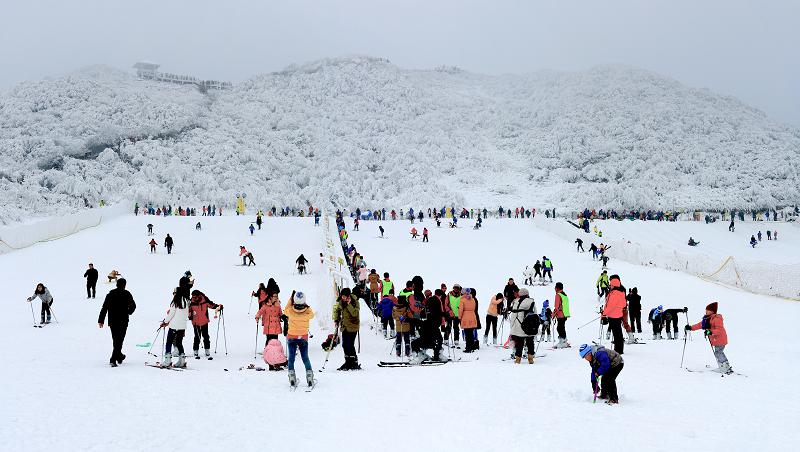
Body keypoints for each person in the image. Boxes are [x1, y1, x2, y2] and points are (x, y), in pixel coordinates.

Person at [97, 278, 136, 367]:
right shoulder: (127, 294)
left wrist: (101, 320)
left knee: (116, 339)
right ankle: (113, 359)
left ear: (116, 284)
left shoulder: (110, 294)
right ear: (124, 285)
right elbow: (133, 306)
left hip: (112, 321)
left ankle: (119, 356)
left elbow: (104, 308)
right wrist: (129, 312)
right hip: (123, 320)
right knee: (119, 340)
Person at [686, 301, 733, 374]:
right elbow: (700, 325)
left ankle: (724, 368)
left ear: (712, 311)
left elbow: (719, 330)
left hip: (720, 339)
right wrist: (691, 327)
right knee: (719, 352)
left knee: (718, 353)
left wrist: (710, 332)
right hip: (716, 339)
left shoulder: (716, 318)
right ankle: (725, 367)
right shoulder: (708, 318)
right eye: (706, 310)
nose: (706, 311)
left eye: (707, 310)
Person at [284, 291, 315, 387]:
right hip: (303, 336)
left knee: (291, 358)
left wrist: (291, 298)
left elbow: (285, 309)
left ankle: (292, 377)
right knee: (305, 357)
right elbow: (312, 314)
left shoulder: (290, 311)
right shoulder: (308, 312)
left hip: (292, 336)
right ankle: (309, 377)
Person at [160, 288, 190, 368]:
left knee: (169, 342)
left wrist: (165, 322)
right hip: (182, 326)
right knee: (179, 343)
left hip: (174, 326)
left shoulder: (175, 302)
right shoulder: (187, 301)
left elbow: (171, 314)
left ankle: (167, 361)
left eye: (174, 293)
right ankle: (182, 361)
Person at [333, 287, 361, 370]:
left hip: (353, 326)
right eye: (342, 296)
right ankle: (347, 362)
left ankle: (354, 362)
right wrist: (336, 319)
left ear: (349, 296)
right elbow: (337, 310)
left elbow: (355, 313)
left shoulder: (355, 302)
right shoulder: (341, 301)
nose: (343, 298)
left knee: (350, 344)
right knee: (344, 345)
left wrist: (349, 305)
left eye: (345, 297)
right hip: (344, 326)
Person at [189, 290, 222, 359]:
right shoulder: (191, 302)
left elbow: (212, 305)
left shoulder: (204, 300)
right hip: (195, 322)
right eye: (192, 297)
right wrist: (190, 315)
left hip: (204, 321)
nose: (193, 298)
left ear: (199, 296)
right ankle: (195, 350)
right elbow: (188, 310)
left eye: (195, 297)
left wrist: (218, 307)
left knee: (206, 336)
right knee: (197, 337)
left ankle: (207, 349)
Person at [508, 288, 536, 364]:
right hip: (530, 326)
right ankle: (530, 359)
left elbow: (514, 315)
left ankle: (518, 359)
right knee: (530, 343)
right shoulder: (532, 302)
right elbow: (535, 313)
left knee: (519, 343)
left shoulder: (516, 302)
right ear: (527, 294)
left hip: (519, 326)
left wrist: (512, 326)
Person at [603, 275, 627, 354]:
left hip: (613, 316)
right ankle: (619, 349)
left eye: (611, 284)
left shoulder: (614, 293)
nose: (610, 285)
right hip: (619, 315)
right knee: (618, 333)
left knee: (616, 333)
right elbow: (624, 304)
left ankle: (617, 350)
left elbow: (610, 306)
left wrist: (604, 313)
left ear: (613, 285)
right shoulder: (622, 292)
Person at [459, 288, 480, 353]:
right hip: (472, 316)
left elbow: (460, 310)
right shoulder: (473, 299)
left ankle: (468, 348)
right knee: (470, 333)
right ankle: (472, 347)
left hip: (465, 317)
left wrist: (459, 317)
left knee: (467, 334)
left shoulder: (462, 300)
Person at [553, 282, 571, 348]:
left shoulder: (558, 295)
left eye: (555, 287)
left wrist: (553, 314)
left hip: (560, 314)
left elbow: (557, 306)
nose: (554, 289)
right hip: (565, 314)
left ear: (557, 288)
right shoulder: (564, 295)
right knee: (562, 327)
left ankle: (562, 342)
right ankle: (564, 341)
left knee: (559, 328)